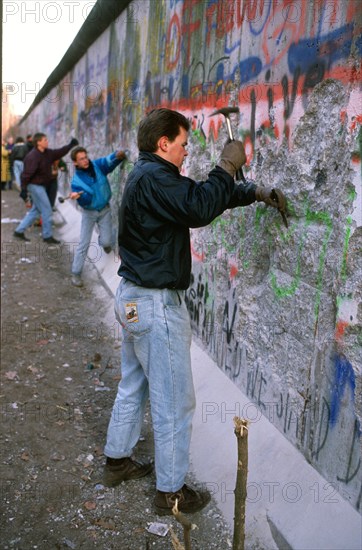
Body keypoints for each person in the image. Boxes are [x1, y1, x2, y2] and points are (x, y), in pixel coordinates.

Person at [103, 108, 288, 515]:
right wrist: (227, 165)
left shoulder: (148, 175)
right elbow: (198, 207)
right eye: (184, 144)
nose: (187, 152)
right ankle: (170, 492)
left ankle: (116, 460)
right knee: (174, 401)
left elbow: (195, 198)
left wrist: (249, 191)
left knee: (134, 383)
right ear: (162, 143)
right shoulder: (155, 177)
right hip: (155, 304)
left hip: (132, 299)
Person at [69, 146, 127, 287]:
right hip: (89, 213)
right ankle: (76, 273)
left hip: (105, 210)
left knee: (107, 242)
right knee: (84, 243)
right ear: (75, 163)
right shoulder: (76, 182)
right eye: (81, 159)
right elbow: (86, 202)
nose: (85, 160)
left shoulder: (97, 166)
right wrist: (79, 197)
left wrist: (117, 155)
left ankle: (105, 243)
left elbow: (108, 161)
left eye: (85, 157)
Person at [14, 133, 78, 243]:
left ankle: (19, 231)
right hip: (34, 186)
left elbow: (59, 152)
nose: (47, 141)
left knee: (36, 210)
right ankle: (47, 236)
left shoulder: (47, 153)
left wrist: (70, 145)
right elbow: (26, 174)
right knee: (47, 209)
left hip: (41, 185)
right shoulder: (33, 156)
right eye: (45, 140)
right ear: (38, 142)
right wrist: (23, 189)